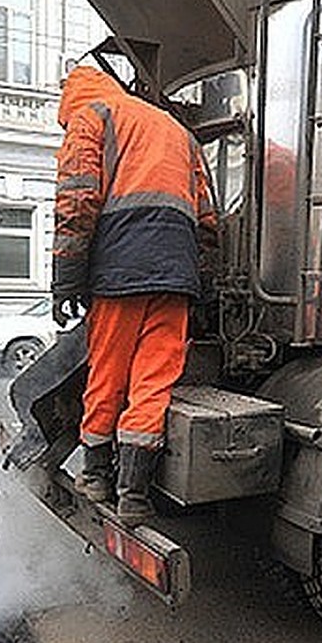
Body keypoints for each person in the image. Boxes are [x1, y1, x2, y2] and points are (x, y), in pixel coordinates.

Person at [51, 64, 218, 526]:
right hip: (174, 280)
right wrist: (199, 280)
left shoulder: (92, 117)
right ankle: (134, 498)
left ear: (70, 102)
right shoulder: (177, 131)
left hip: (119, 274)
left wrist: (66, 277)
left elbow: (77, 200)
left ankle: (98, 476)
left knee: (107, 377)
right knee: (152, 386)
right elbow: (207, 217)